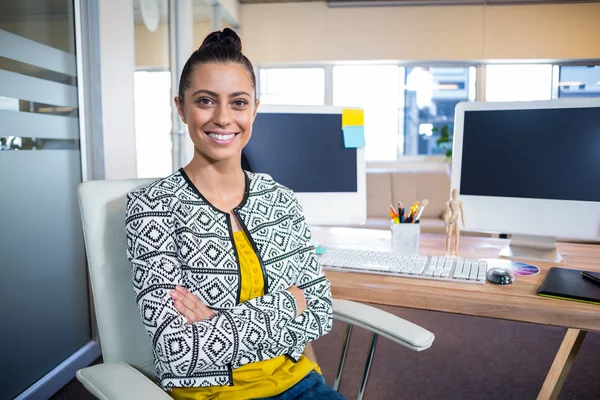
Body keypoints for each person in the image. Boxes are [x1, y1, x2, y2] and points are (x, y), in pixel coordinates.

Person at [125, 28, 344, 400]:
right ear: (181, 107)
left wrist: (215, 323)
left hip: (299, 384)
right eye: (206, 101)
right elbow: (176, 351)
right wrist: (289, 302)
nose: (224, 118)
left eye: (239, 102)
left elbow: (321, 309)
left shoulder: (280, 199)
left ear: (254, 109)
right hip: (210, 395)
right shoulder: (152, 206)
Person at [444, 188, 466, 257]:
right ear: (451, 194)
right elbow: (446, 213)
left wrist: (463, 222)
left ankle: (456, 251)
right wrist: (446, 224)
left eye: (456, 193)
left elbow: (462, 212)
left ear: (458, 194)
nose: (455, 195)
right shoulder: (449, 203)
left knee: (457, 236)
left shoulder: (460, 202)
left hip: (456, 220)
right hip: (451, 220)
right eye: (454, 193)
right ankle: (447, 251)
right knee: (449, 236)